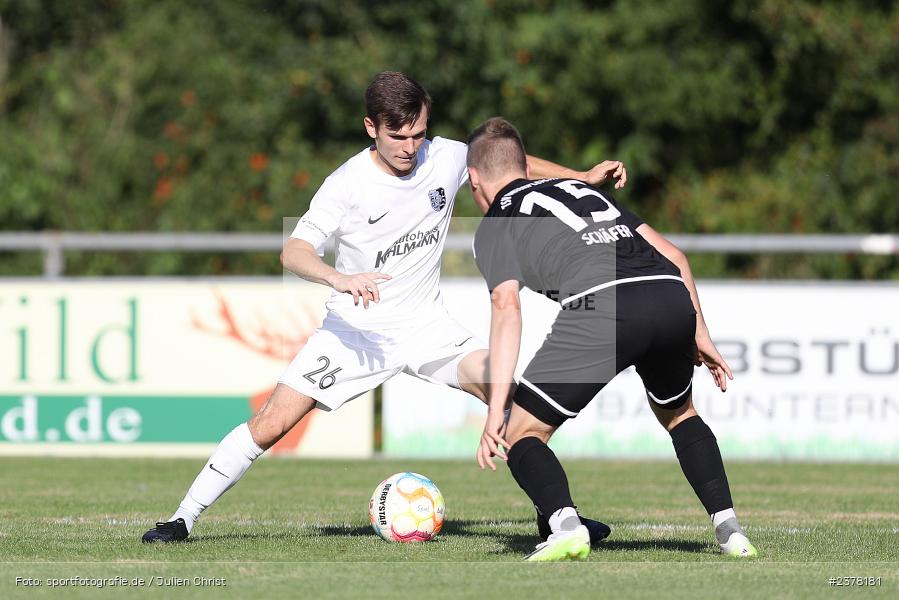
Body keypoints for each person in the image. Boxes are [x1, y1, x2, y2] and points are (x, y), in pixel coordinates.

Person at [142, 72, 627, 544]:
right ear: (371, 127)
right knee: (271, 424)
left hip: (428, 329)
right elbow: (293, 251)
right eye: (398, 136)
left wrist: (580, 176)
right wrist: (339, 278)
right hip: (356, 334)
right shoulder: (346, 184)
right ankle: (181, 519)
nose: (410, 147)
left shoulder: (445, 156)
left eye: (419, 133)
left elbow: (510, 165)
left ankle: (558, 517)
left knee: (512, 399)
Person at [466, 117, 757, 561]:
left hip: (602, 306)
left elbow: (506, 306)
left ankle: (565, 526)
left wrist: (495, 409)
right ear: (525, 166)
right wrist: (700, 332)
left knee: (522, 432)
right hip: (668, 294)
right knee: (680, 415)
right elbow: (675, 255)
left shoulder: (495, 221)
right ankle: (730, 531)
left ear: (474, 179)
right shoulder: (580, 192)